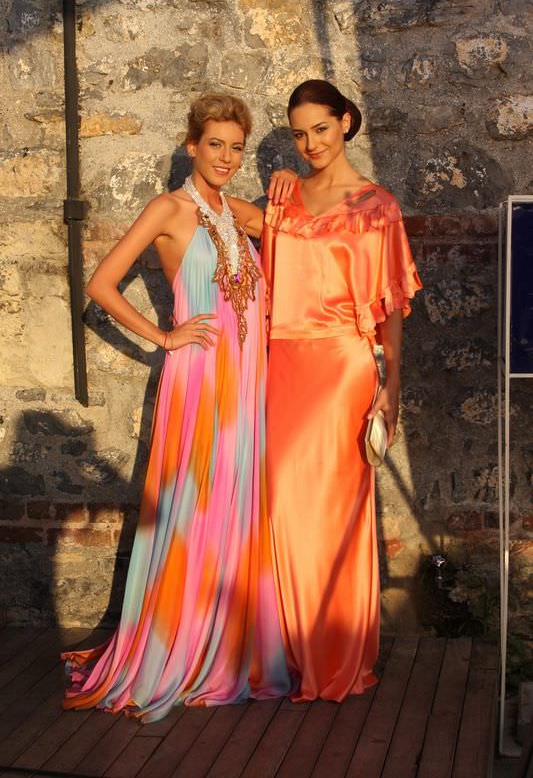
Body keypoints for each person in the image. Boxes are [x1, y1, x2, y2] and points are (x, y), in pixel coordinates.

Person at [62, 92, 295, 723]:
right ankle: (180, 645)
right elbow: (100, 283)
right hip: (200, 380)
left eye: (236, 148)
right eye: (215, 144)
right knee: (195, 507)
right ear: (192, 146)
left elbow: (295, 223)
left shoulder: (233, 211)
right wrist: (164, 337)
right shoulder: (169, 208)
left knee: (235, 505)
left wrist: (284, 177)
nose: (226, 157)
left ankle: (229, 643)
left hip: (245, 381)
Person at [261, 79, 422, 702]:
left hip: (341, 366)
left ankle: (337, 655)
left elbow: (391, 307)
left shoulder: (378, 206)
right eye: (299, 135)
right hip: (283, 363)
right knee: (282, 507)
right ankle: (293, 651)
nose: (311, 144)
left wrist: (392, 384)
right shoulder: (285, 194)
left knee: (333, 513)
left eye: (321, 129)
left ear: (346, 122)